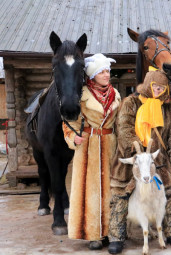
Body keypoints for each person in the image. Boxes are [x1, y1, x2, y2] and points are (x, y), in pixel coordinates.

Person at [107, 70, 171, 254]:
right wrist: (135, 147)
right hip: (132, 159)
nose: (157, 90)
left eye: (161, 88)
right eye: (155, 86)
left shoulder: (168, 109)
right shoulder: (131, 103)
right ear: (148, 85)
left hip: (159, 161)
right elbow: (124, 126)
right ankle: (117, 236)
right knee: (121, 193)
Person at [62, 53, 121, 250]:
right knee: (91, 191)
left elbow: (121, 123)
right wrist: (72, 137)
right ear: (92, 75)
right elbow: (69, 122)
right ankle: (94, 234)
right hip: (88, 147)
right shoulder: (82, 95)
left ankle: (113, 233)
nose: (106, 75)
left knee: (113, 191)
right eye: (102, 71)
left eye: (108, 71)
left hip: (111, 144)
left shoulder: (116, 94)